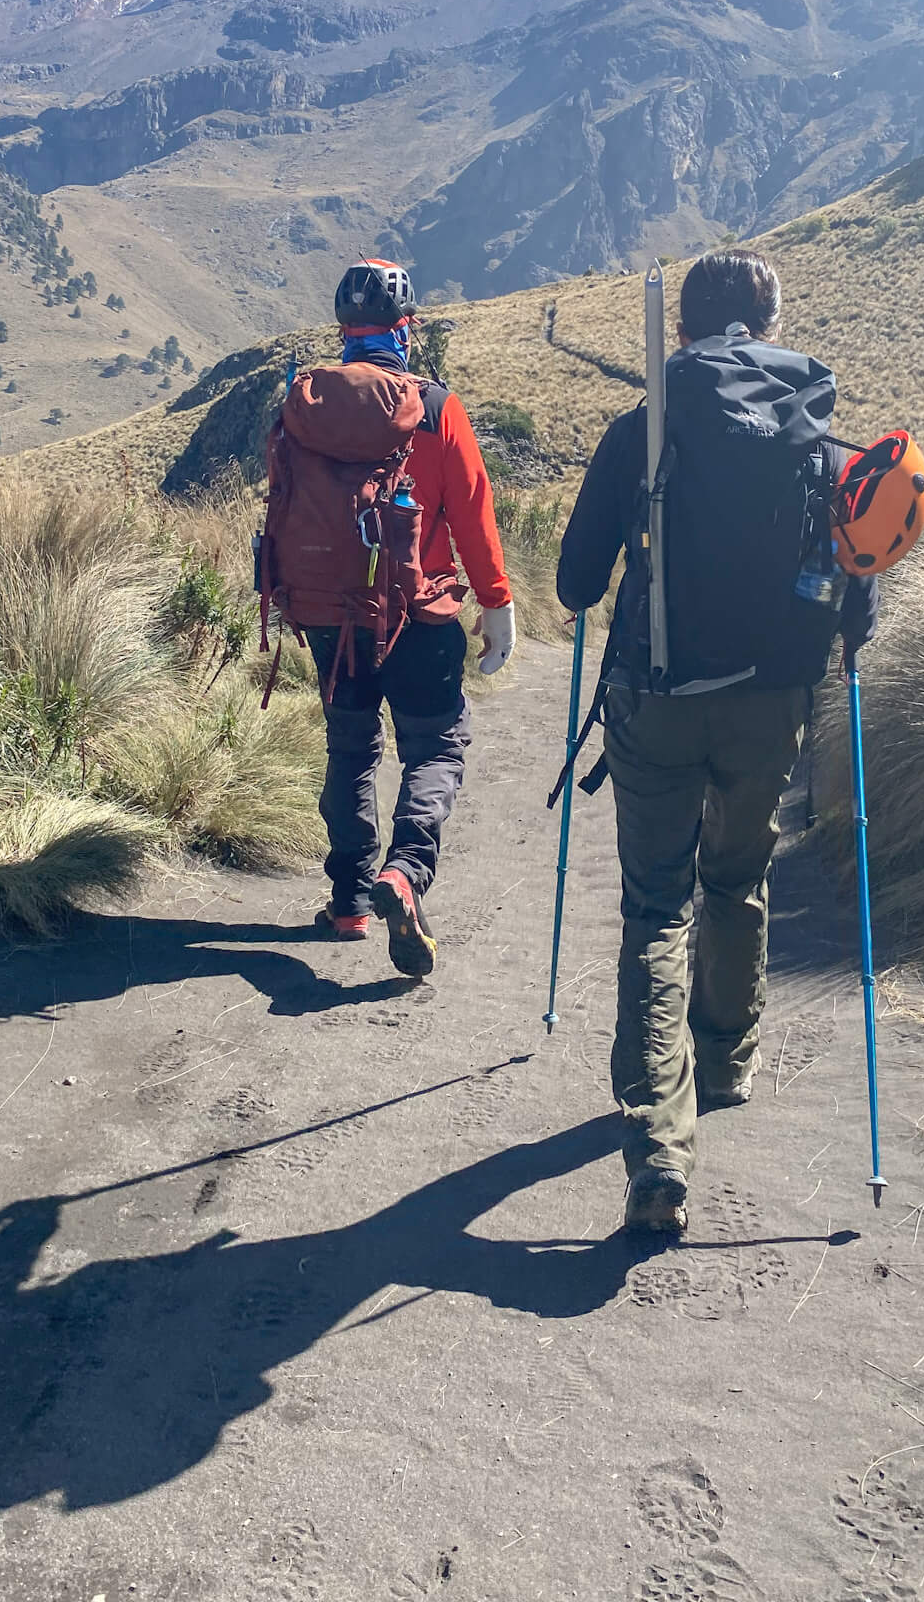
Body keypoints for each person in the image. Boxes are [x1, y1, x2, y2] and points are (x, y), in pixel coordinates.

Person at [554, 251, 878, 1235]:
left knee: (657, 906)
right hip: (769, 702)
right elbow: (854, 604)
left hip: (654, 698)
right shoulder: (820, 443)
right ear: (771, 323)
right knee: (735, 877)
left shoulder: (640, 429)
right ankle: (725, 1060)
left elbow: (571, 583)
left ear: (681, 328)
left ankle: (657, 1142)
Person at [265, 259, 514, 979]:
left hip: (326, 613)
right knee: (435, 747)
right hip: (416, 611)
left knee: (351, 747)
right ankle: (405, 873)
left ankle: (347, 902)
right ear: (406, 330)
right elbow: (473, 516)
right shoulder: (436, 408)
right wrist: (496, 604)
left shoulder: (300, 400)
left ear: (345, 332)